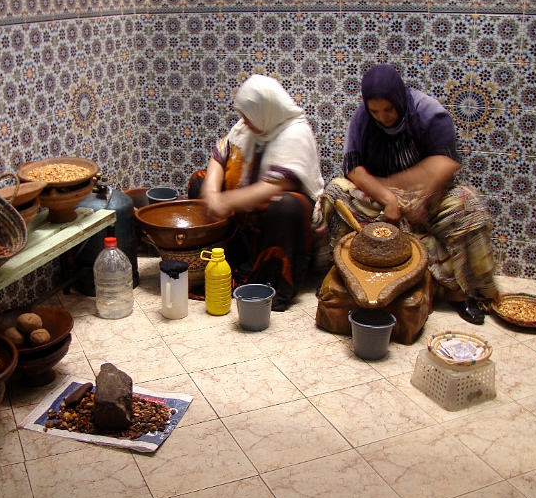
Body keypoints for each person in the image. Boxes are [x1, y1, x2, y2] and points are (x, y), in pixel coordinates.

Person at [321, 64, 499, 324]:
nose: (383, 117)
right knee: (336, 191)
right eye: (375, 112)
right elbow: (354, 170)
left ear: (399, 98)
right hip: (381, 194)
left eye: (388, 109)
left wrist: (420, 197)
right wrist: (388, 198)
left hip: (428, 192)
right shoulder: (362, 118)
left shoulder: (428, 111)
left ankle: (463, 292)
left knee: (467, 204)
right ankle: (347, 275)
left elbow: (446, 162)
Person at [188, 74, 325, 311]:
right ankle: (212, 262)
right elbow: (220, 156)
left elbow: (274, 186)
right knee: (199, 181)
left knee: (286, 206)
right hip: (244, 209)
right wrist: (211, 192)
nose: (244, 122)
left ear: (266, 110)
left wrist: (225, 200)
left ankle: (269, 283)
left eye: (248, 116)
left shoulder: (296, 132)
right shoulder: (249, 126)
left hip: (274, 215)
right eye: (243, 116)